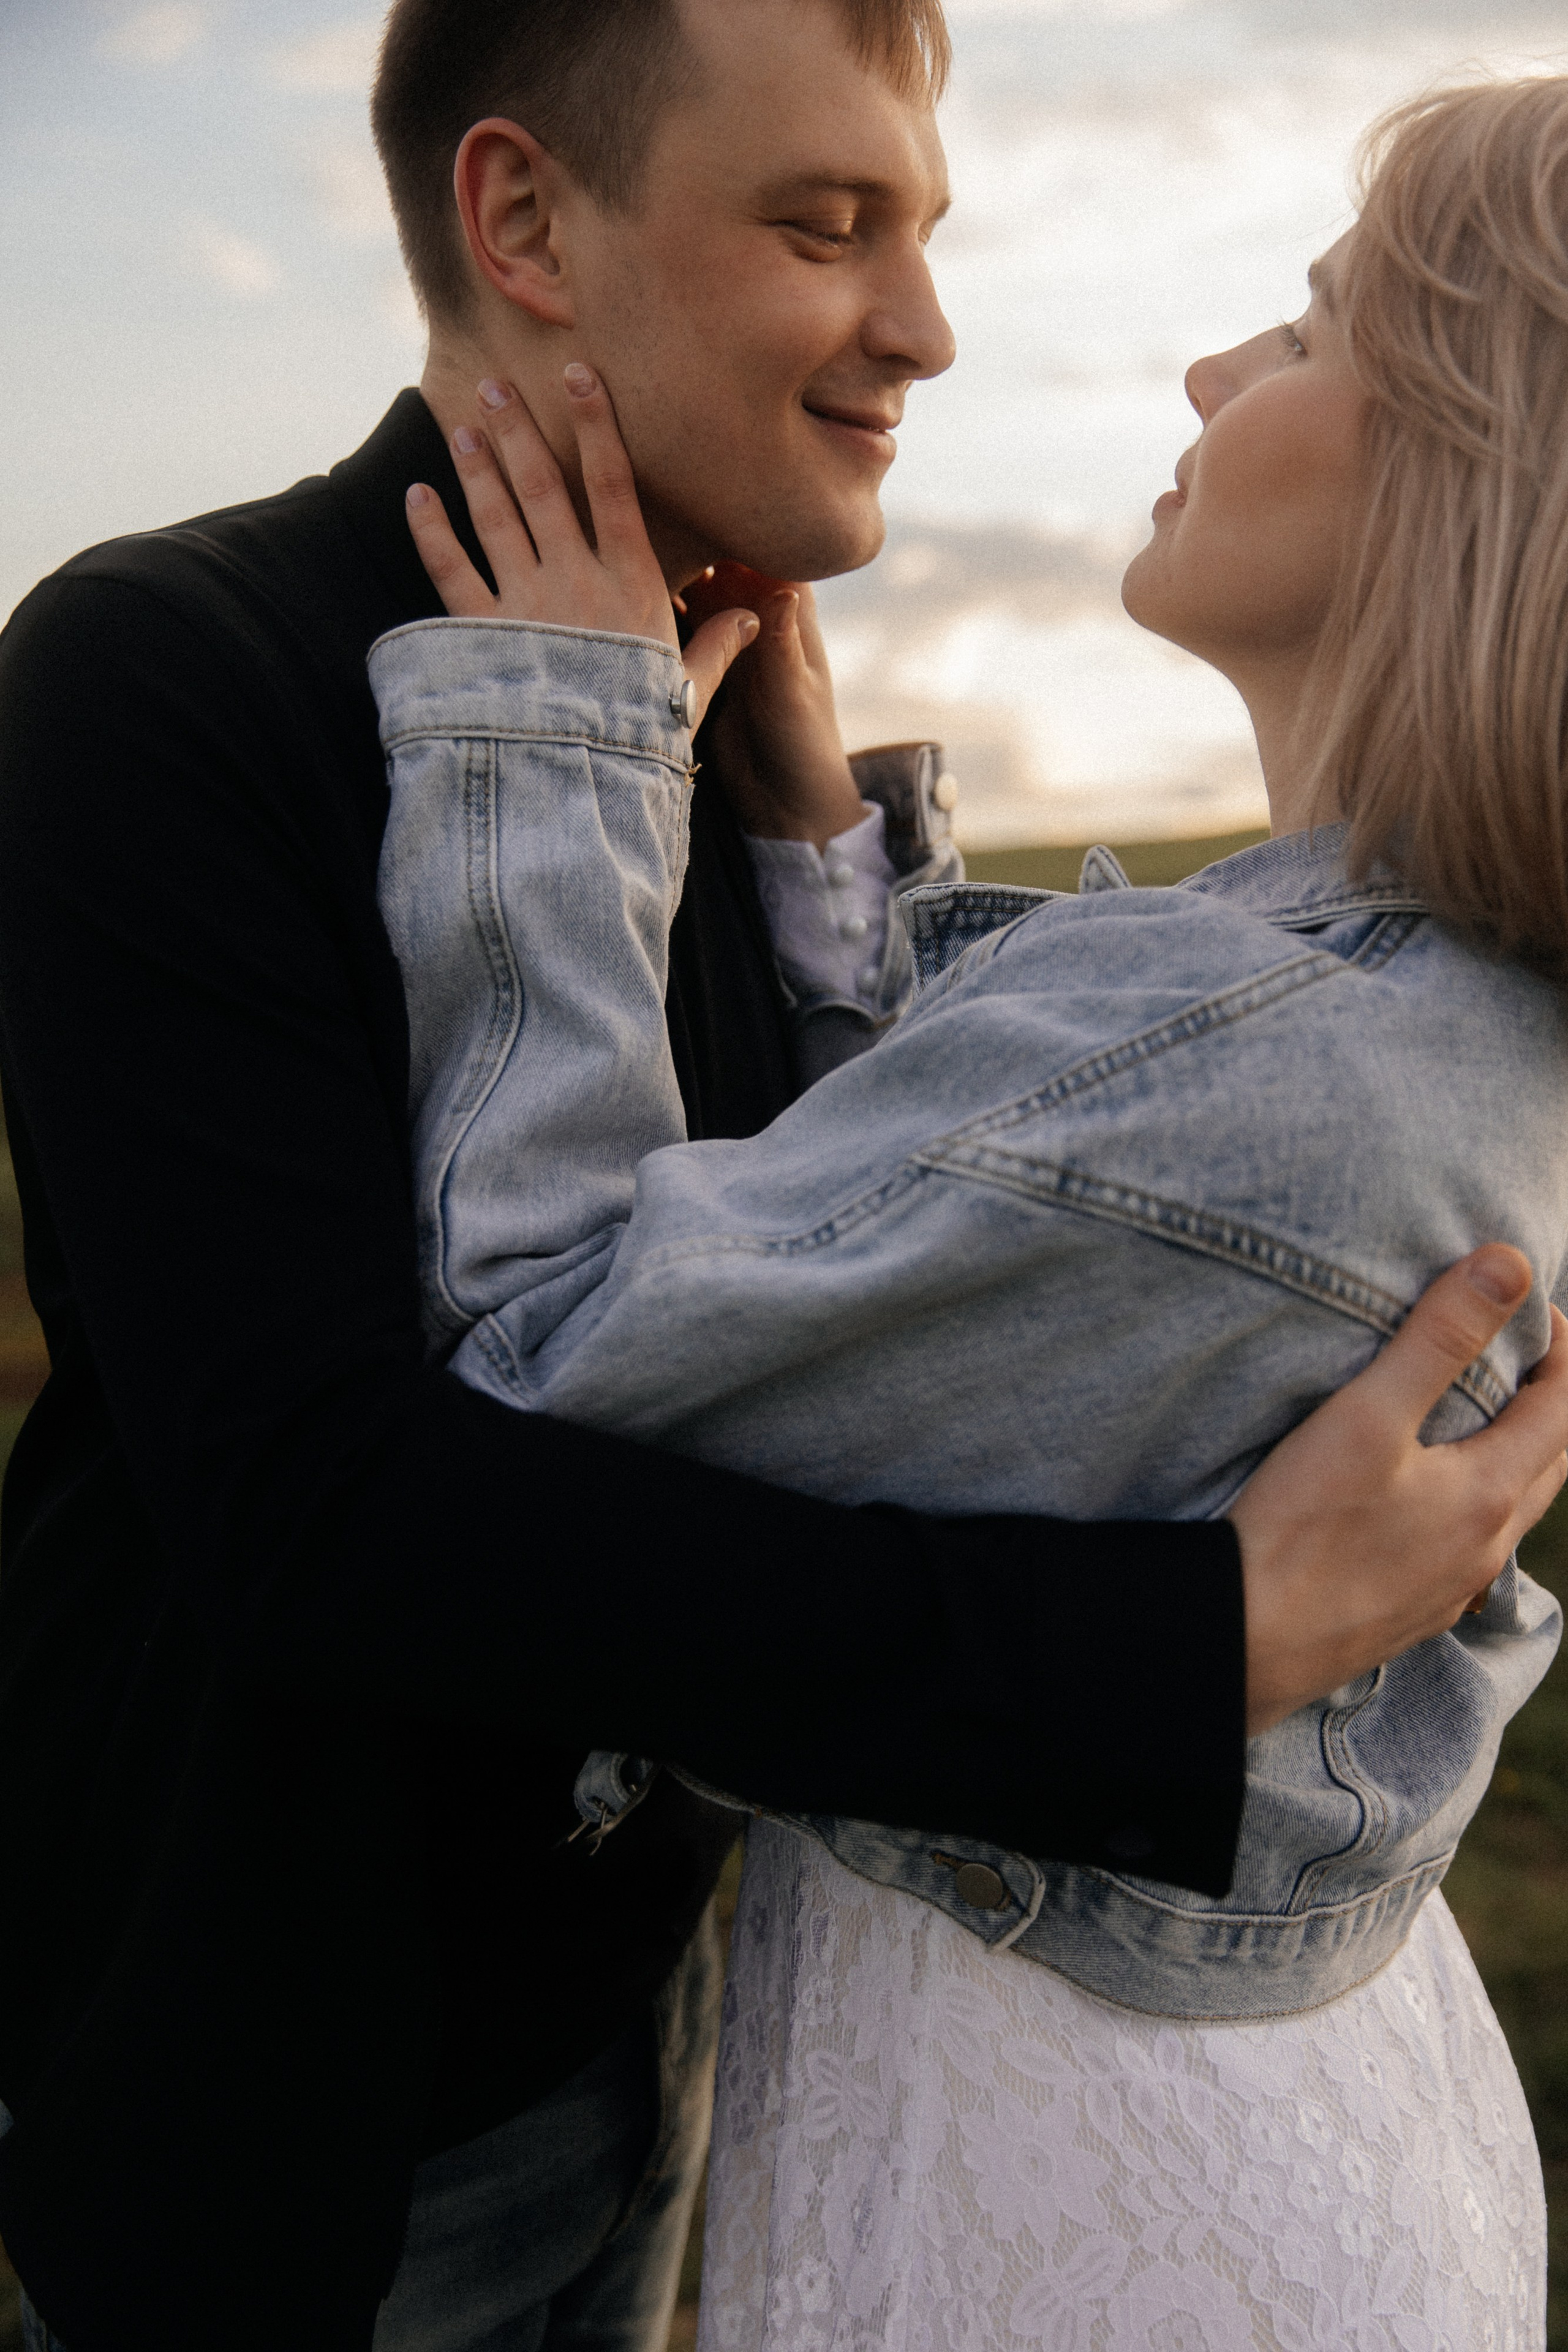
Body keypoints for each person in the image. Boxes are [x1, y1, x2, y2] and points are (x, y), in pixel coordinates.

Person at [0, 5, 1561, 2350]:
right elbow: (334, 1501)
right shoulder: (158, 676)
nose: (928, 329)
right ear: (523, 219)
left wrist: (792, 822)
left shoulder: (711, 718)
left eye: (924, 232)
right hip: (306, 2120)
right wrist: (1176, 1653)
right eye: (829, 228)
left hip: (677, 2041)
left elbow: (889, 1257)